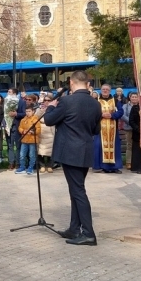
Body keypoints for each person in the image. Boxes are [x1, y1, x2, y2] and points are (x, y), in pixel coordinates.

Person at [43, 71, 102, 246]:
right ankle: (74, 228)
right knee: (76, 190)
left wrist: (52, 106)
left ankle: (89, 234)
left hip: (70, 152)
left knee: (78, 192)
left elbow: (48, 120)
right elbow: (95, 130)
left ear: (71, 82)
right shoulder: (95, 103)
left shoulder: (67, 101)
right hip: (85, 150)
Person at [92, 84, 124, 173]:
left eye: (107, 89)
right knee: (99, 147)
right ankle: (100, 166)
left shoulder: (115, 100)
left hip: (112, 128)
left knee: (114, 147)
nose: (105, 91)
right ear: (101, 90)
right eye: (103, 89)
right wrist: (101, 115)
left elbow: (121, 111)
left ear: (110, 91)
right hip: (100, 129)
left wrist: (112, 115)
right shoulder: (96, 100)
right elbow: (92, 112)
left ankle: (114, 167)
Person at [16, 105, 41, 174]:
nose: (27, 113)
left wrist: (33, 132)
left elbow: (38, 129)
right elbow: (20, 127)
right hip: (24, 140)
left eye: (29, 111)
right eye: (26, 111)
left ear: (33, 111)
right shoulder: (23, 119)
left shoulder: (35, 120)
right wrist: (22, 131)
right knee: (22, 154)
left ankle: (31, 167)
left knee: (32, 155)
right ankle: (22, 167)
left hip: (32, 140)